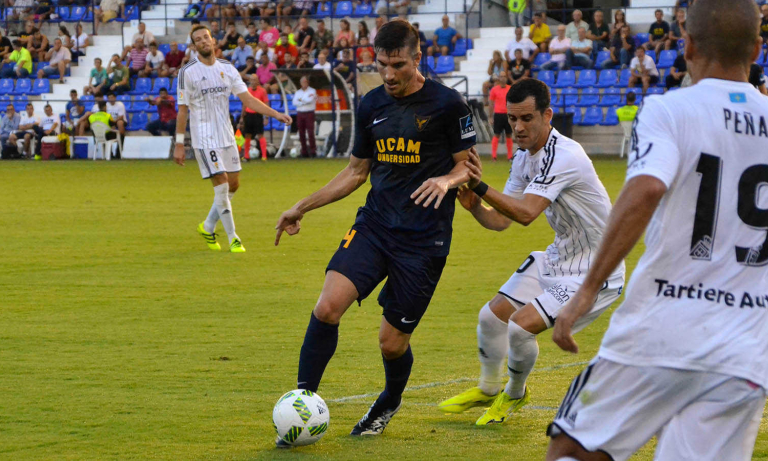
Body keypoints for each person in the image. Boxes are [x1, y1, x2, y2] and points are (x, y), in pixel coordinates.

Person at [547, 1, 768, 460]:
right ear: (757, 49)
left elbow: (646, 189)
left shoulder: (670, 110)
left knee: (573, 450)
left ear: (686, 46)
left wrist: (587, 291)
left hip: (659, 329)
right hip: (744, 347)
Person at [274, 19, 476, 441]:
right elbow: (355, 172)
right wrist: (301, 207)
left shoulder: (449, 104)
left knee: (391, 344)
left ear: (418, 58)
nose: (388, 74)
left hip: (424, 242)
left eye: (397, 64)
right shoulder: (371, 105)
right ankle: (302, 403)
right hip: (375, 225)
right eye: (381, 64)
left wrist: (447, 181)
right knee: (327, 307)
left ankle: (389, 400)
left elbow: (470, 166)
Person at [439, 78, 624, 427]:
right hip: (558, 257)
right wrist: (476, 206)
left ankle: (514, 393)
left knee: (519, 328)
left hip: (597, 270)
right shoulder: (524, 158)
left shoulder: (564, 155)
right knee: (490, 317)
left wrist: (479, 183)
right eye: (512, 119)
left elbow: (526, 214)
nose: (518, 127)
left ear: (546, 115)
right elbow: (502, 221)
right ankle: (488, 388)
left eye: (526, 118)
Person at [173, 24, 292, 253]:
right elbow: (182, 110)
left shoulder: (227, 68)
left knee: (234, 184)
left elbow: (248, 100)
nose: (203, 41)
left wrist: (276, 114)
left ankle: (207, 226)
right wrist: (179, 143)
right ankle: (232, 238)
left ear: (213, 40)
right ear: (194, 45)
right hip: (203, 138)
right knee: (222, 185)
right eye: (198, 39)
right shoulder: (187, 72)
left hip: (226, 135)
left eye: (206, 37)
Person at [239, 75, 269, 161]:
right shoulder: (247, 91)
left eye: (255, 80)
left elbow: (266, 103)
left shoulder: (262, 91)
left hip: (258, 114)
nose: (253, 82)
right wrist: (242, 116)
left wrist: (266, 117)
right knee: (247, 135)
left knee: (260, 134)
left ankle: (264, 155)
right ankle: (246, 155)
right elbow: (245, 104)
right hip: (248, 114)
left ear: (258, 81)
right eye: (252, 80)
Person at [487, 72, 513, 161]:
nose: (503, 78)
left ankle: (509, 156)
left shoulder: (510, 89)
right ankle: (494, 155)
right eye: (501, 76)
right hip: (498, 114)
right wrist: (490, 116)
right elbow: (491, 103)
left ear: (506, 78)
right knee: (496, 134)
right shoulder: (494, 90)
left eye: (504, 76)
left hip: (508, 114)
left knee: (509, 135)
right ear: (499, 78)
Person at [292, 76, 317, 158]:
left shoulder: (312, 91)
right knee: (301, 132)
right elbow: (294, 102)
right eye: (302, 82)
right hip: (300, 113)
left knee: (310, 132)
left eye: (305, 82)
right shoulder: (298, 92)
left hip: (309, 112)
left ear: (307, 82)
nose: (304, 84)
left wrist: (301, 100)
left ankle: (313, 151)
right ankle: (304, 151)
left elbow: (309, 100)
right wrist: (303, 101)